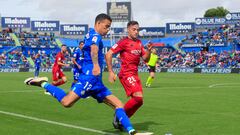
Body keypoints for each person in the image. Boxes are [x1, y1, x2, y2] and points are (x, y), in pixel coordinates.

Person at [24, 13, 152, 135]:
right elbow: (94, 48)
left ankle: (132, 131)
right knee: (66, 102)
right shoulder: (96, 36)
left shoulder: (90, 34)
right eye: (106, 26)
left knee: (119, 105)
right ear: (98, 23)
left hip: (97, 82)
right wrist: (96, 65)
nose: (107, 30)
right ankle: (43, 83)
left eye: (109, 27)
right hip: (89, 79)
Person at [105, 21, 152, 129]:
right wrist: (111, 71)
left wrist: (148, 51)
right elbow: (108, 54)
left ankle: (122, 119)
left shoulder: (139, 43)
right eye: (134, 29)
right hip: (126, 74)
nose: (136, 32)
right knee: (138, 98)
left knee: (139, 102)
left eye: (137, 30)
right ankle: (119, 116)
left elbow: (146, 59)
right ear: (128, 30)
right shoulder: (123, 42)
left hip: (135, 75)